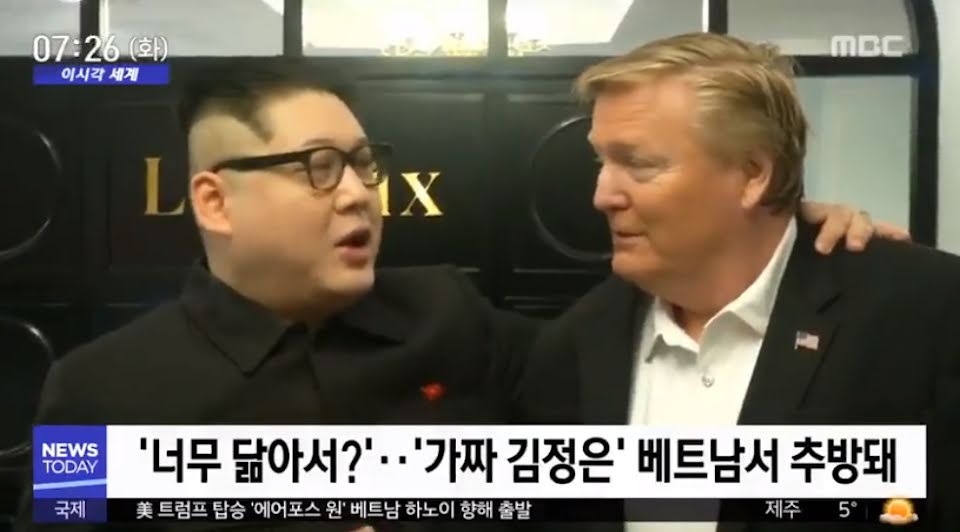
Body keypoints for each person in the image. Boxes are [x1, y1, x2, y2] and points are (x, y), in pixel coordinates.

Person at [16, 59, 902, 532]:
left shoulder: (450, 319)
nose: (360, 194)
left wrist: (777, 233)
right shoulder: (100, 393)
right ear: (215, 200)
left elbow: (638, 343)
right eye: (318, 168)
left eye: (364, 164)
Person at [516, 32, 960, 532]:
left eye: (638, 164)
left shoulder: (926, 315)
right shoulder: (574, 343)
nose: (602, 195)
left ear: (753, 174)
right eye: (603, 161)